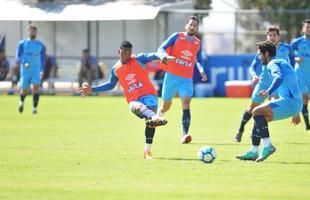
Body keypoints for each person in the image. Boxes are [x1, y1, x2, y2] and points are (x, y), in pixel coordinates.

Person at [78, 41, 174, 159]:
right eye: (124, 53)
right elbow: (110, 85)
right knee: (142, 110)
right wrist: (92, 89)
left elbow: (154, 55)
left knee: (151, 125)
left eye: (129, 53)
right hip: (134, 100)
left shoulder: (139, 58)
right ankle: (154, 116)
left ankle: (147, 152)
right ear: (119, 52)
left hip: (149, 96)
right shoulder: (116, 69)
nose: (127, 56)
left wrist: (163, 57)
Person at [236, 40, 302, 162]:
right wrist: (297, 111)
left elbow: (279, 76)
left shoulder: (273, 63)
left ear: (266, 54)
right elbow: (295, 82)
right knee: (259, 119)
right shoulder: (283, 62)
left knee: (256, 112)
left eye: (260, 54)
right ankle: (253, 151)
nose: (259, 57)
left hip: (290, 102)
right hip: (294, 103)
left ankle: (268, 146)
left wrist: (269, 91)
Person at [234, 25, 295, 142]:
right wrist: (254, 75)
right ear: (267, 36)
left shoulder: (286, 48)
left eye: (274, 35)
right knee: (252, 108)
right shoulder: (263, 50)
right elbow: (252, 67)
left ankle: (256, 131)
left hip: (277, 85)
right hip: (263, 83)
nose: (272, 37)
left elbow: (291, 63)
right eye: (270, 35)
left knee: (269, 109)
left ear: (278, 36)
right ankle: (240, 130)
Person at [157, 16, 207, 144]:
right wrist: (165, 56)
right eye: (190, 24)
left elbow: (196, 59)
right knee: (166, 106)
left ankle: (185, 135)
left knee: (186, 103)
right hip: (171, 76)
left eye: (195, 25)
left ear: (197, 28)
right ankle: (159, 114)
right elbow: (161, 48)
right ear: (186, 26)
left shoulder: (197, 43)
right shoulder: (177, 36)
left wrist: (201, 69)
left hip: (186, 78)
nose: (192, 27)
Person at [16, 24, 45, 114]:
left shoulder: (40, 44)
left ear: (36, 32)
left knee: (36, 88)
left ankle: (34, 108)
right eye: (31, 31)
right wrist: (24, 63)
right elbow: (18, 55)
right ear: (28, 32)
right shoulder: (22, 43)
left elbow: (43, 58)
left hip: (36, 69)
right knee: (25, 89)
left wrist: (42, 70)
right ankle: (21, 101)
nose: (32, 32)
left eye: (34, 31)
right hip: (25, 69)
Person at [291, 19, 310, 131]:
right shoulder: (296, 42)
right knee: (304, 98)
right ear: (303, 29)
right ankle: (307, 124)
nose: (309, 29)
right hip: (301, 74)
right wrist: (295, 59)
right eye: (307, 27)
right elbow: (288, 55)